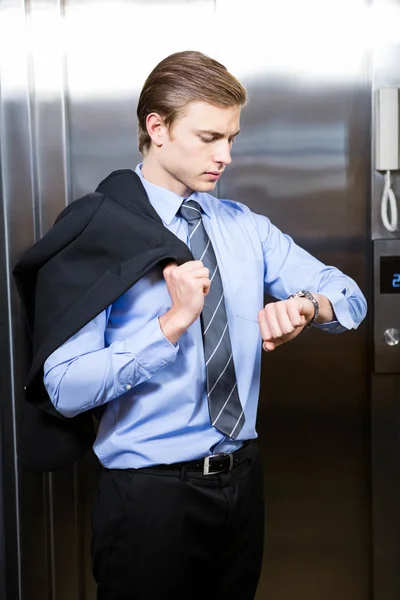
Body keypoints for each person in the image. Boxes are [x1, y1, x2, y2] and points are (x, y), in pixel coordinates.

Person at [41, 51, 367, 599]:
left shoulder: (244, 227)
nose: (227, 157)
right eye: (209, 137)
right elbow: (64, 387)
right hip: (148, 501)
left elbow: (350, 296)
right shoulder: (98, 232)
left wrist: (308, 306)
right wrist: (168, 326)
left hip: (241, 485)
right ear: (157, 128)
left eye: (232, 139)